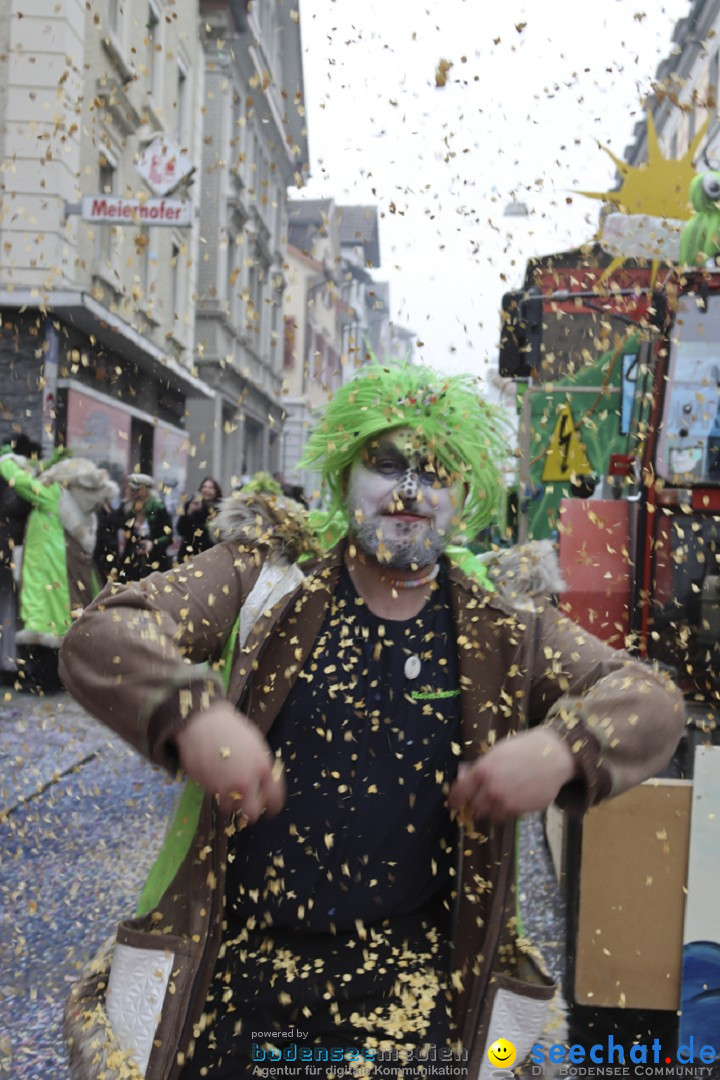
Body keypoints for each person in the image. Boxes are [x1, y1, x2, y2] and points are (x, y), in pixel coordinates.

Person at [59, 362, 685, 1080]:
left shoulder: (505, 627)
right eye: (387, 464)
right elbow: (103, 634)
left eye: (436, 471)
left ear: (466, 494)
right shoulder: (264, 578)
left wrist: (565, 748)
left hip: (416, 1008)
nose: (411, 490)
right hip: (237, 994)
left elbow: (650, 699)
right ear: (344, 473)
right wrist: (190, 715)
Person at [0, 452, 118, 693]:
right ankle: (57, 679)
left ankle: (45, 682)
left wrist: (7, 461)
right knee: (57, 623)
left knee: (44, 623)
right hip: (57, 566)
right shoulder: (71, 501)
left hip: (47, 567)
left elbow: (22, 483)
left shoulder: (53, 493)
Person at [118, 472, 173, 581]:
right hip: (132, 564)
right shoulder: (127, 509)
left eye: (138, 490)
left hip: (156, 563)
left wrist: (152, 544)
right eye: (132, 490)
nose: (135, 494)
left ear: (147, 491)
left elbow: (168, 536)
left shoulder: (158, 509)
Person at [176, 476, 223, 562]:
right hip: (189, 554)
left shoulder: (220, 509)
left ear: (216, 491)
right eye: (204, 487)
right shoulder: (190, 505)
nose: (206, 490)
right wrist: (190, 512)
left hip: (210, 554)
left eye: (210, 487)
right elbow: (181, 530)